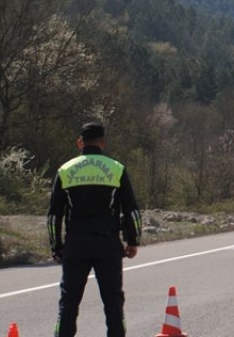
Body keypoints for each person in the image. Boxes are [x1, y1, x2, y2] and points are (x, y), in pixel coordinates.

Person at [47, 122, 142, 337]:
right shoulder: (116, 168)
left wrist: (56, 246)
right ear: (103, 143)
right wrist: (133, 240)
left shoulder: (65, 170)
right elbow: (132, 210)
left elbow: (54, 215)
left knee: (69, 302)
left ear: (80, 143)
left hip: (76, 243)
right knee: (113, 302)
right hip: (107, 243)